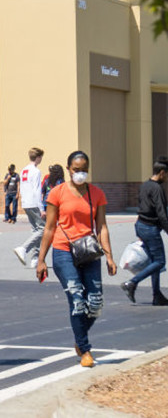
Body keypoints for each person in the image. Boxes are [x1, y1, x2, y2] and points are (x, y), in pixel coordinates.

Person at [35, 150, 117, 368]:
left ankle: (79, 336)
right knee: (78, 300)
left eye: (84, 170)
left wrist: (109, 256)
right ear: (69, 169)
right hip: (63, 251)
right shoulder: (57, 193)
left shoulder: (97, 193)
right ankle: (85, 349)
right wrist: (41, 259)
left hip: (89, 251)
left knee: (96, 303)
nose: (80, 174)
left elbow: (101, 227)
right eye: (76, 170)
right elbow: (49, 227)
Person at [121, 160, 168, 306]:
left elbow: (142, 206)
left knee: (155, 261)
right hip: (150, 228)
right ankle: (132, 283)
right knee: (160, 261)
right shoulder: (157, 188)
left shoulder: (144, 185)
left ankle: (156, 295)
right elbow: (161, 213)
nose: (167, 178)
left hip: (141, 225)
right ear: (161, 173)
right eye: (167, 174)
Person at [13, 147, 45, 266]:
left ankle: (34, 258)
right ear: (38, 157)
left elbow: (22, 187)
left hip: (26, 202)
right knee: (43, 229)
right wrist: (41, 208)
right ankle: (24, 248)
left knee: (35, 230)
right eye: (41, 157)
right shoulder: (36, 171)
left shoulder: (23, 170)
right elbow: (37, 190)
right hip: (34, 202)